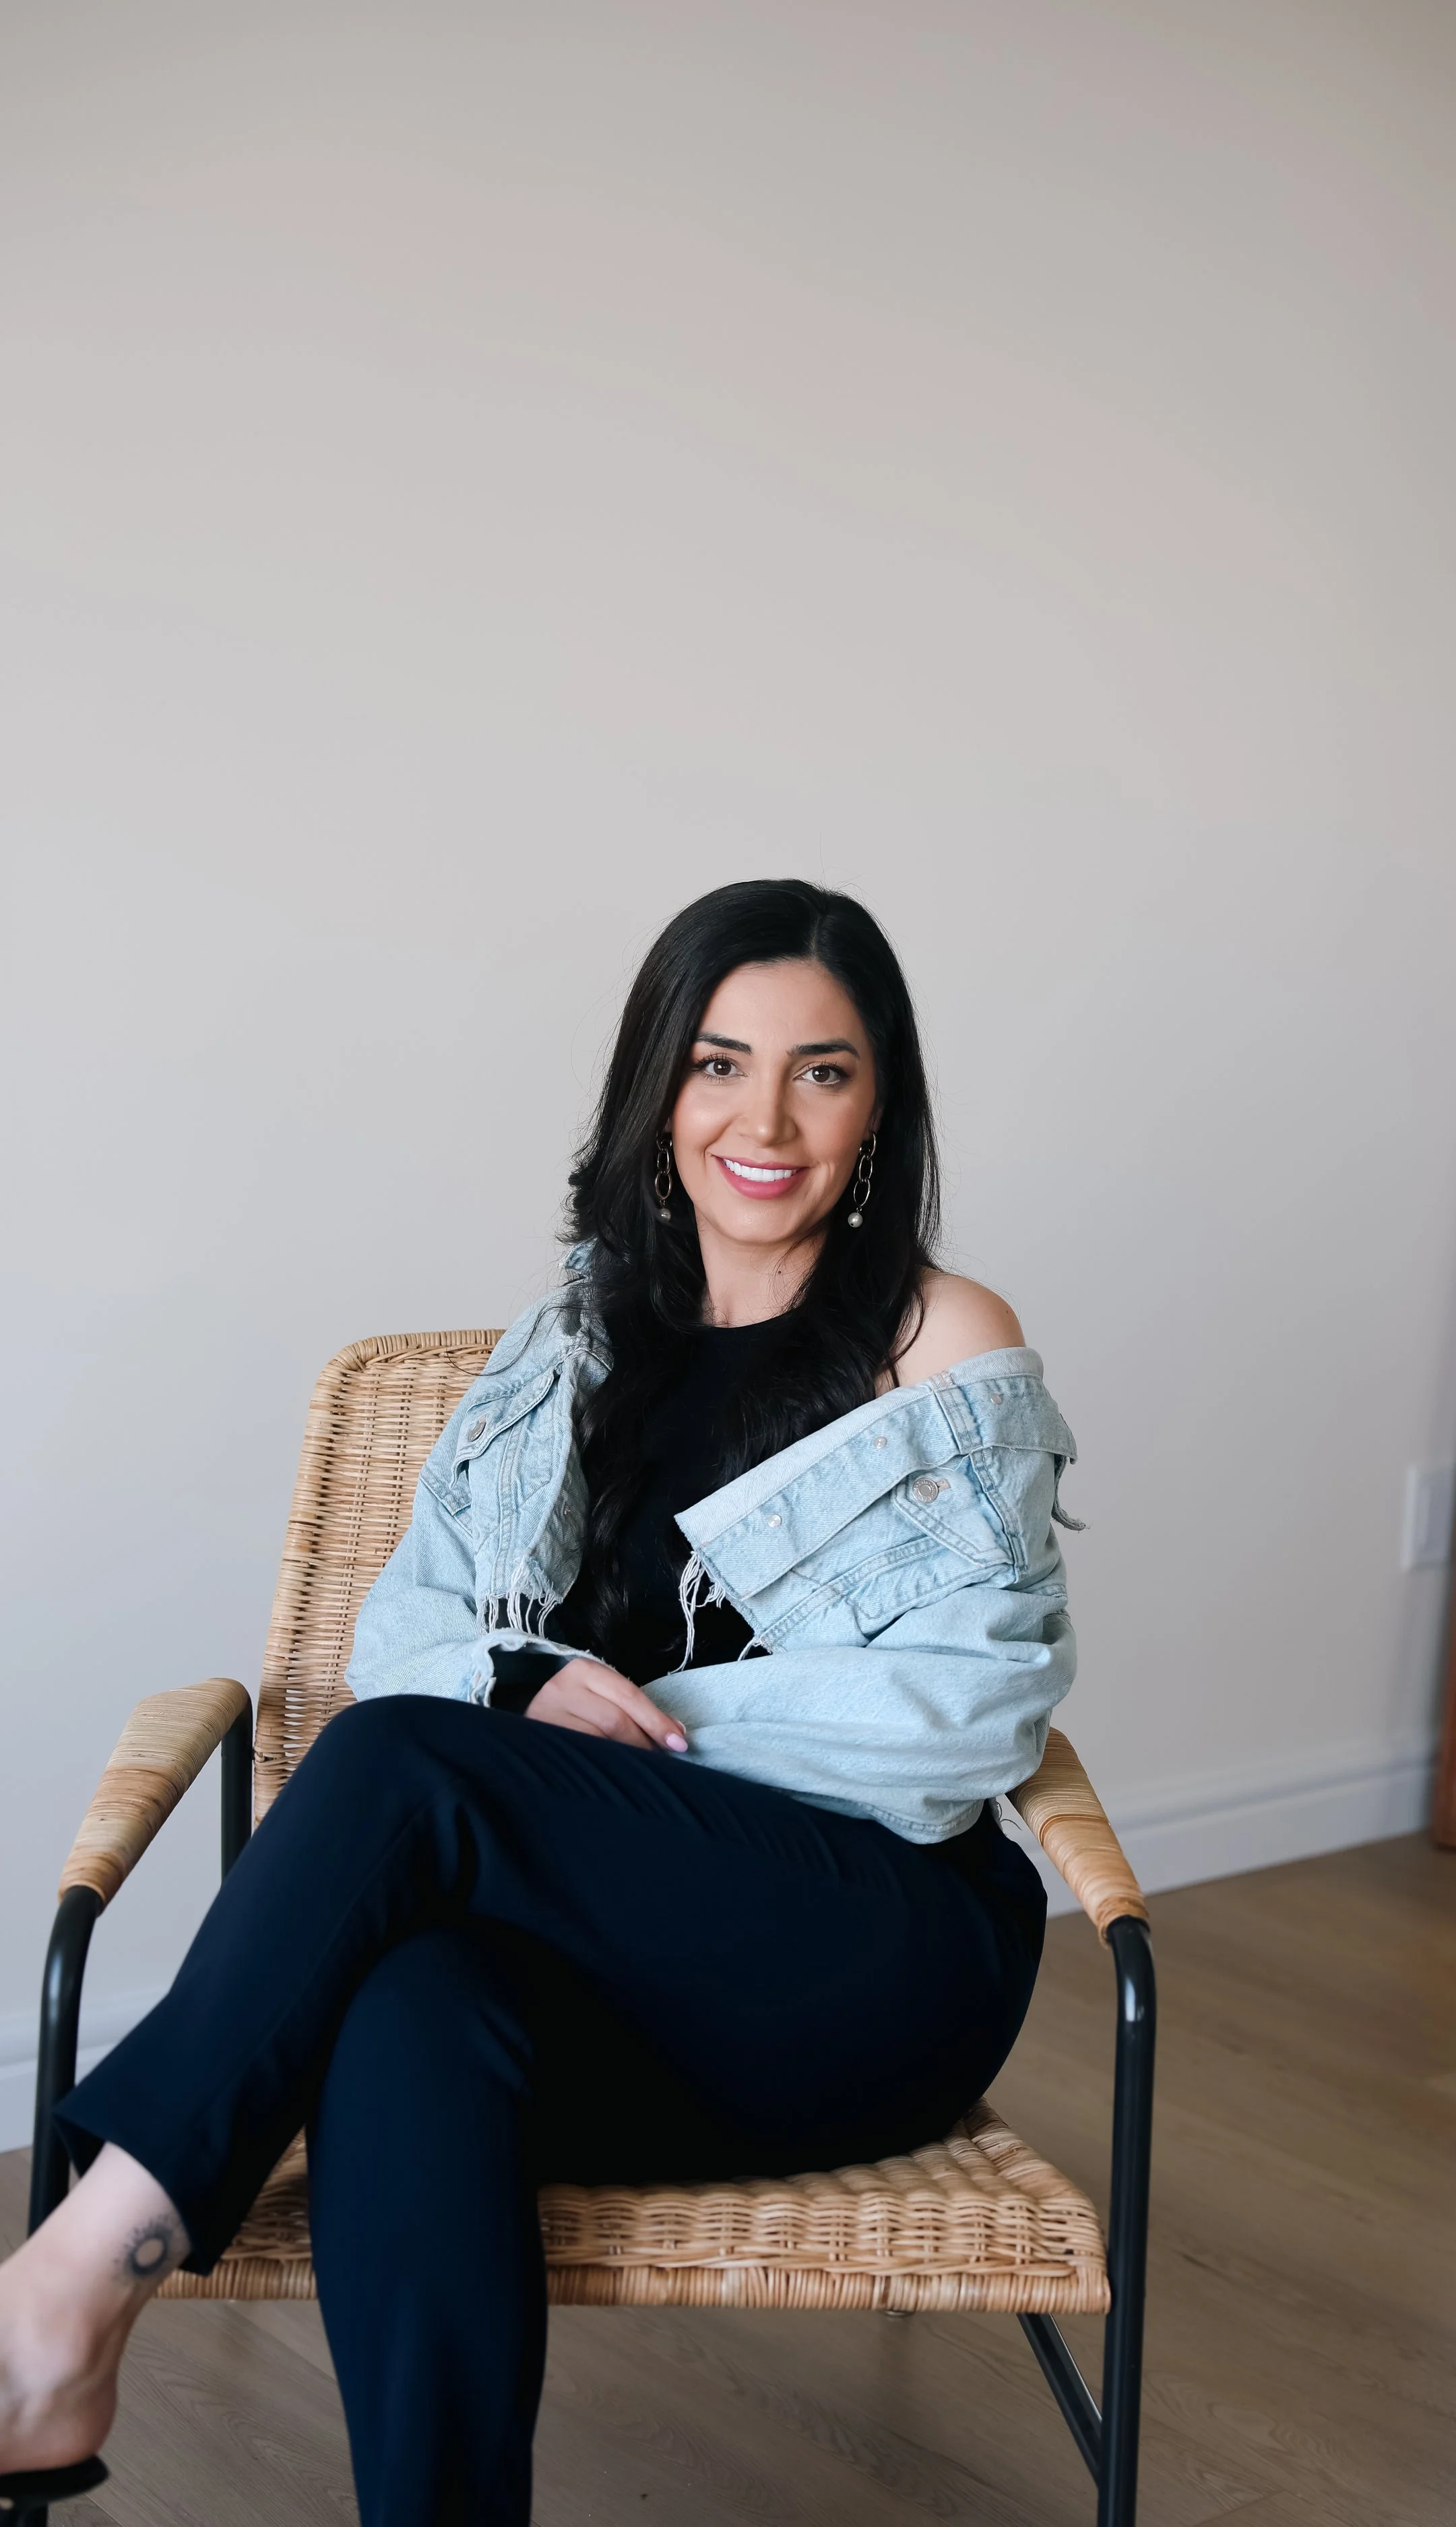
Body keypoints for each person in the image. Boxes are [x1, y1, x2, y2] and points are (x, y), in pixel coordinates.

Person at [0, 880, 1079, 2526]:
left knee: (409, 1763)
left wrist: (616, 1731)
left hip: (872, 1950)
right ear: (659, 1087)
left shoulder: (940, 1338)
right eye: (720, 1062)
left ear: (880, 1104)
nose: (765, 1118)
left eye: (824, 1070)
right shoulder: (574, 1337)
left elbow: (970, 1721)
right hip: (637, 1973)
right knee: (408, 2008)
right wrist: (523, 1686)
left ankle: (66, 2282)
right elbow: (409, 1626)